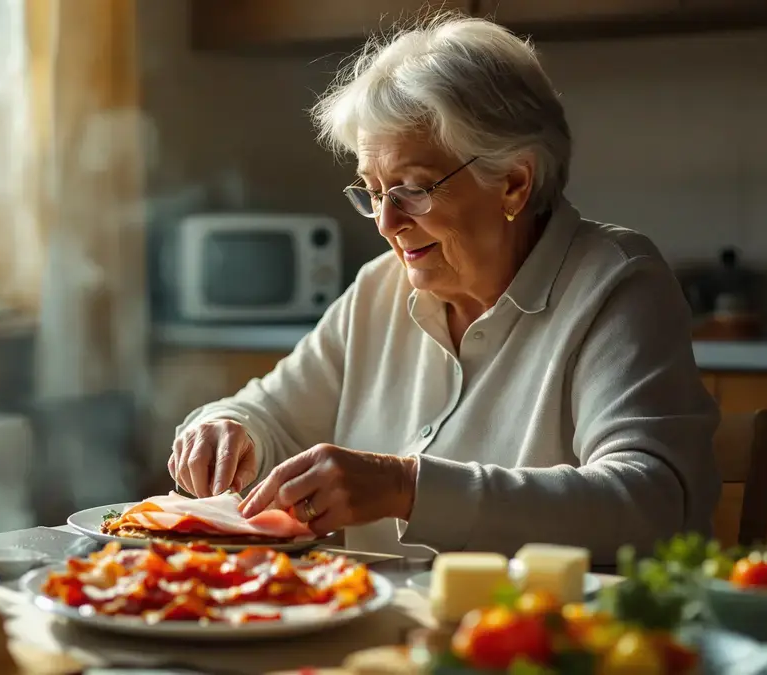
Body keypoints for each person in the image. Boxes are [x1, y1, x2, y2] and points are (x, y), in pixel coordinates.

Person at [166, 14, 721, 561]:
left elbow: (651, 503)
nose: (386, 222)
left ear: (513, 183)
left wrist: (405, 487)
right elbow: (270, 417)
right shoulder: (377, 291)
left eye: (411, 189)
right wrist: (225, 428)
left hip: (541, 639)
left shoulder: (616, 284)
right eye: (373, 191)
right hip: (379, 632)